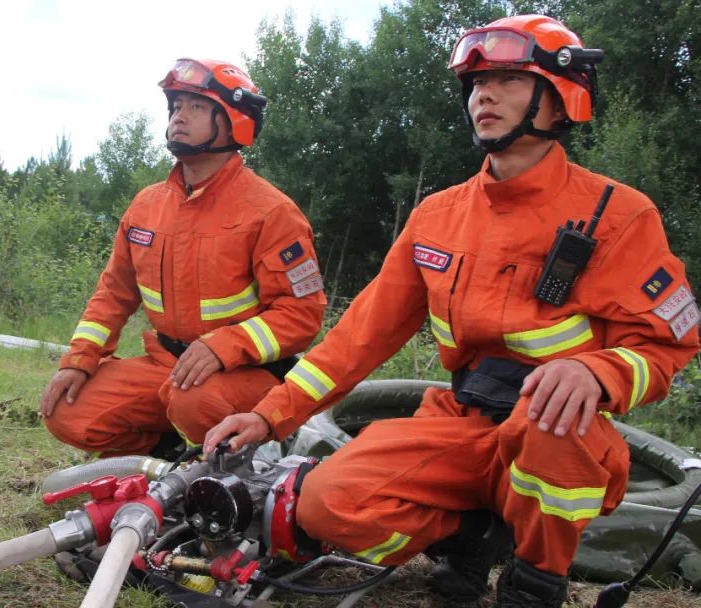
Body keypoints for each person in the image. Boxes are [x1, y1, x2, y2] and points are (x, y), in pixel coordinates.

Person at [204, 15, 700, 608]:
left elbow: (669, 344)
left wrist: (599, 372)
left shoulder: (621, 215)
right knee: (324, 502)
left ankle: (535, 581)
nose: (482, 94)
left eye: (507, 79)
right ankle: (472, 536)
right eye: (475, 82)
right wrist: (269, 416)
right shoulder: (438, 216)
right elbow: (360, 335)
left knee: (553, 428)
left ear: (561, 94)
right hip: (461, 419)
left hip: (555, 432)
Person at [41, 58, 327, 458]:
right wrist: (79, 360)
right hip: (168, 366)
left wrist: (222, 347)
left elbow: (302, 314)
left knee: (192, 401)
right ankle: (171, 458)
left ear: (233, 120)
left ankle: (249, 463)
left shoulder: (272, 212)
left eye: (195, 106)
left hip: (246, 375)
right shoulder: (146, 206)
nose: (179, 116)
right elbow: (113, 294)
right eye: (175, 107)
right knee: (68, 411)